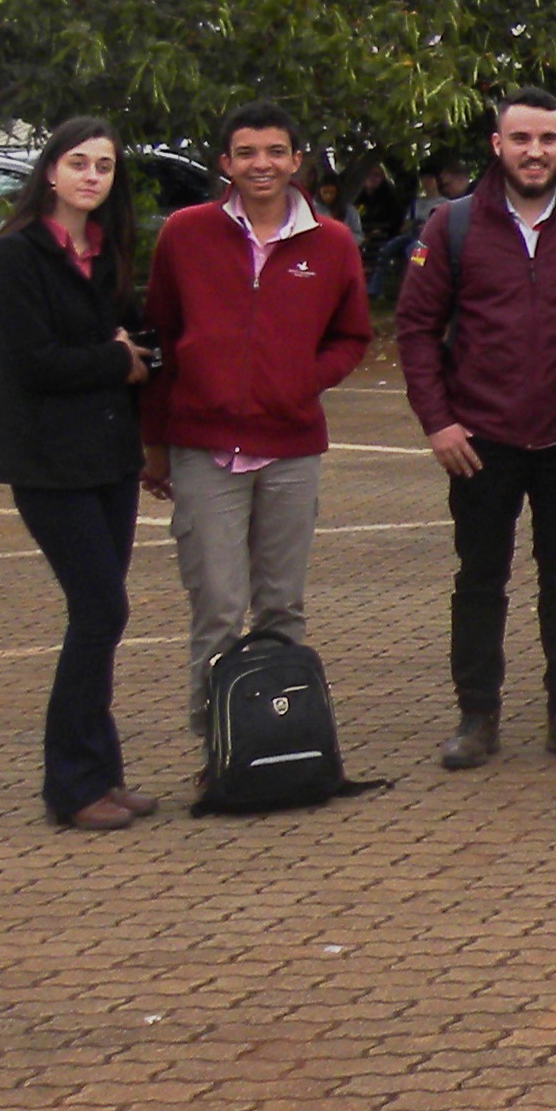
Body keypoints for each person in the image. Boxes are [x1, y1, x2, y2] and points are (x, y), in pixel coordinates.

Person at [396, 86, 556, 771]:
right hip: (479, 442)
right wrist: (439, 423)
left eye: (548, 139)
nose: (535, 152)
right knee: (479, 580)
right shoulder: (453, 225)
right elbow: (415, 329)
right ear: (497, 145)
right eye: (522, 139)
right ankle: (477, 717)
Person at [137, 100, 373, 736]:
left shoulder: (331, 243)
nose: (260, 164)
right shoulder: (185, 234)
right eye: (245, 153)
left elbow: (352, 335)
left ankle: (282, 742)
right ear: (225, 163)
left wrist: (302, 379)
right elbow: (161, 338)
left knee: (281, 608)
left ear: (297, 161)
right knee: (218, 608)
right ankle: (218, 749)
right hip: (203, 445)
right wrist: (155, 444)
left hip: (291, 448)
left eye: (274, 152)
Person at [0, 120, 156, 830]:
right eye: (78, 162)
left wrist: (134, 353)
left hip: (109, 456)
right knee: (100, 611)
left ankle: (102, 774)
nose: (91, 176)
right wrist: (117, 358)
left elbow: (141, 338)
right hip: (47, 462)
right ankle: (71, 786)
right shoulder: (16, 257)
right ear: (50, 171)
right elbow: (36, 364)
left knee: (102, 615)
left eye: (104, 166)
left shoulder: (108, 251)